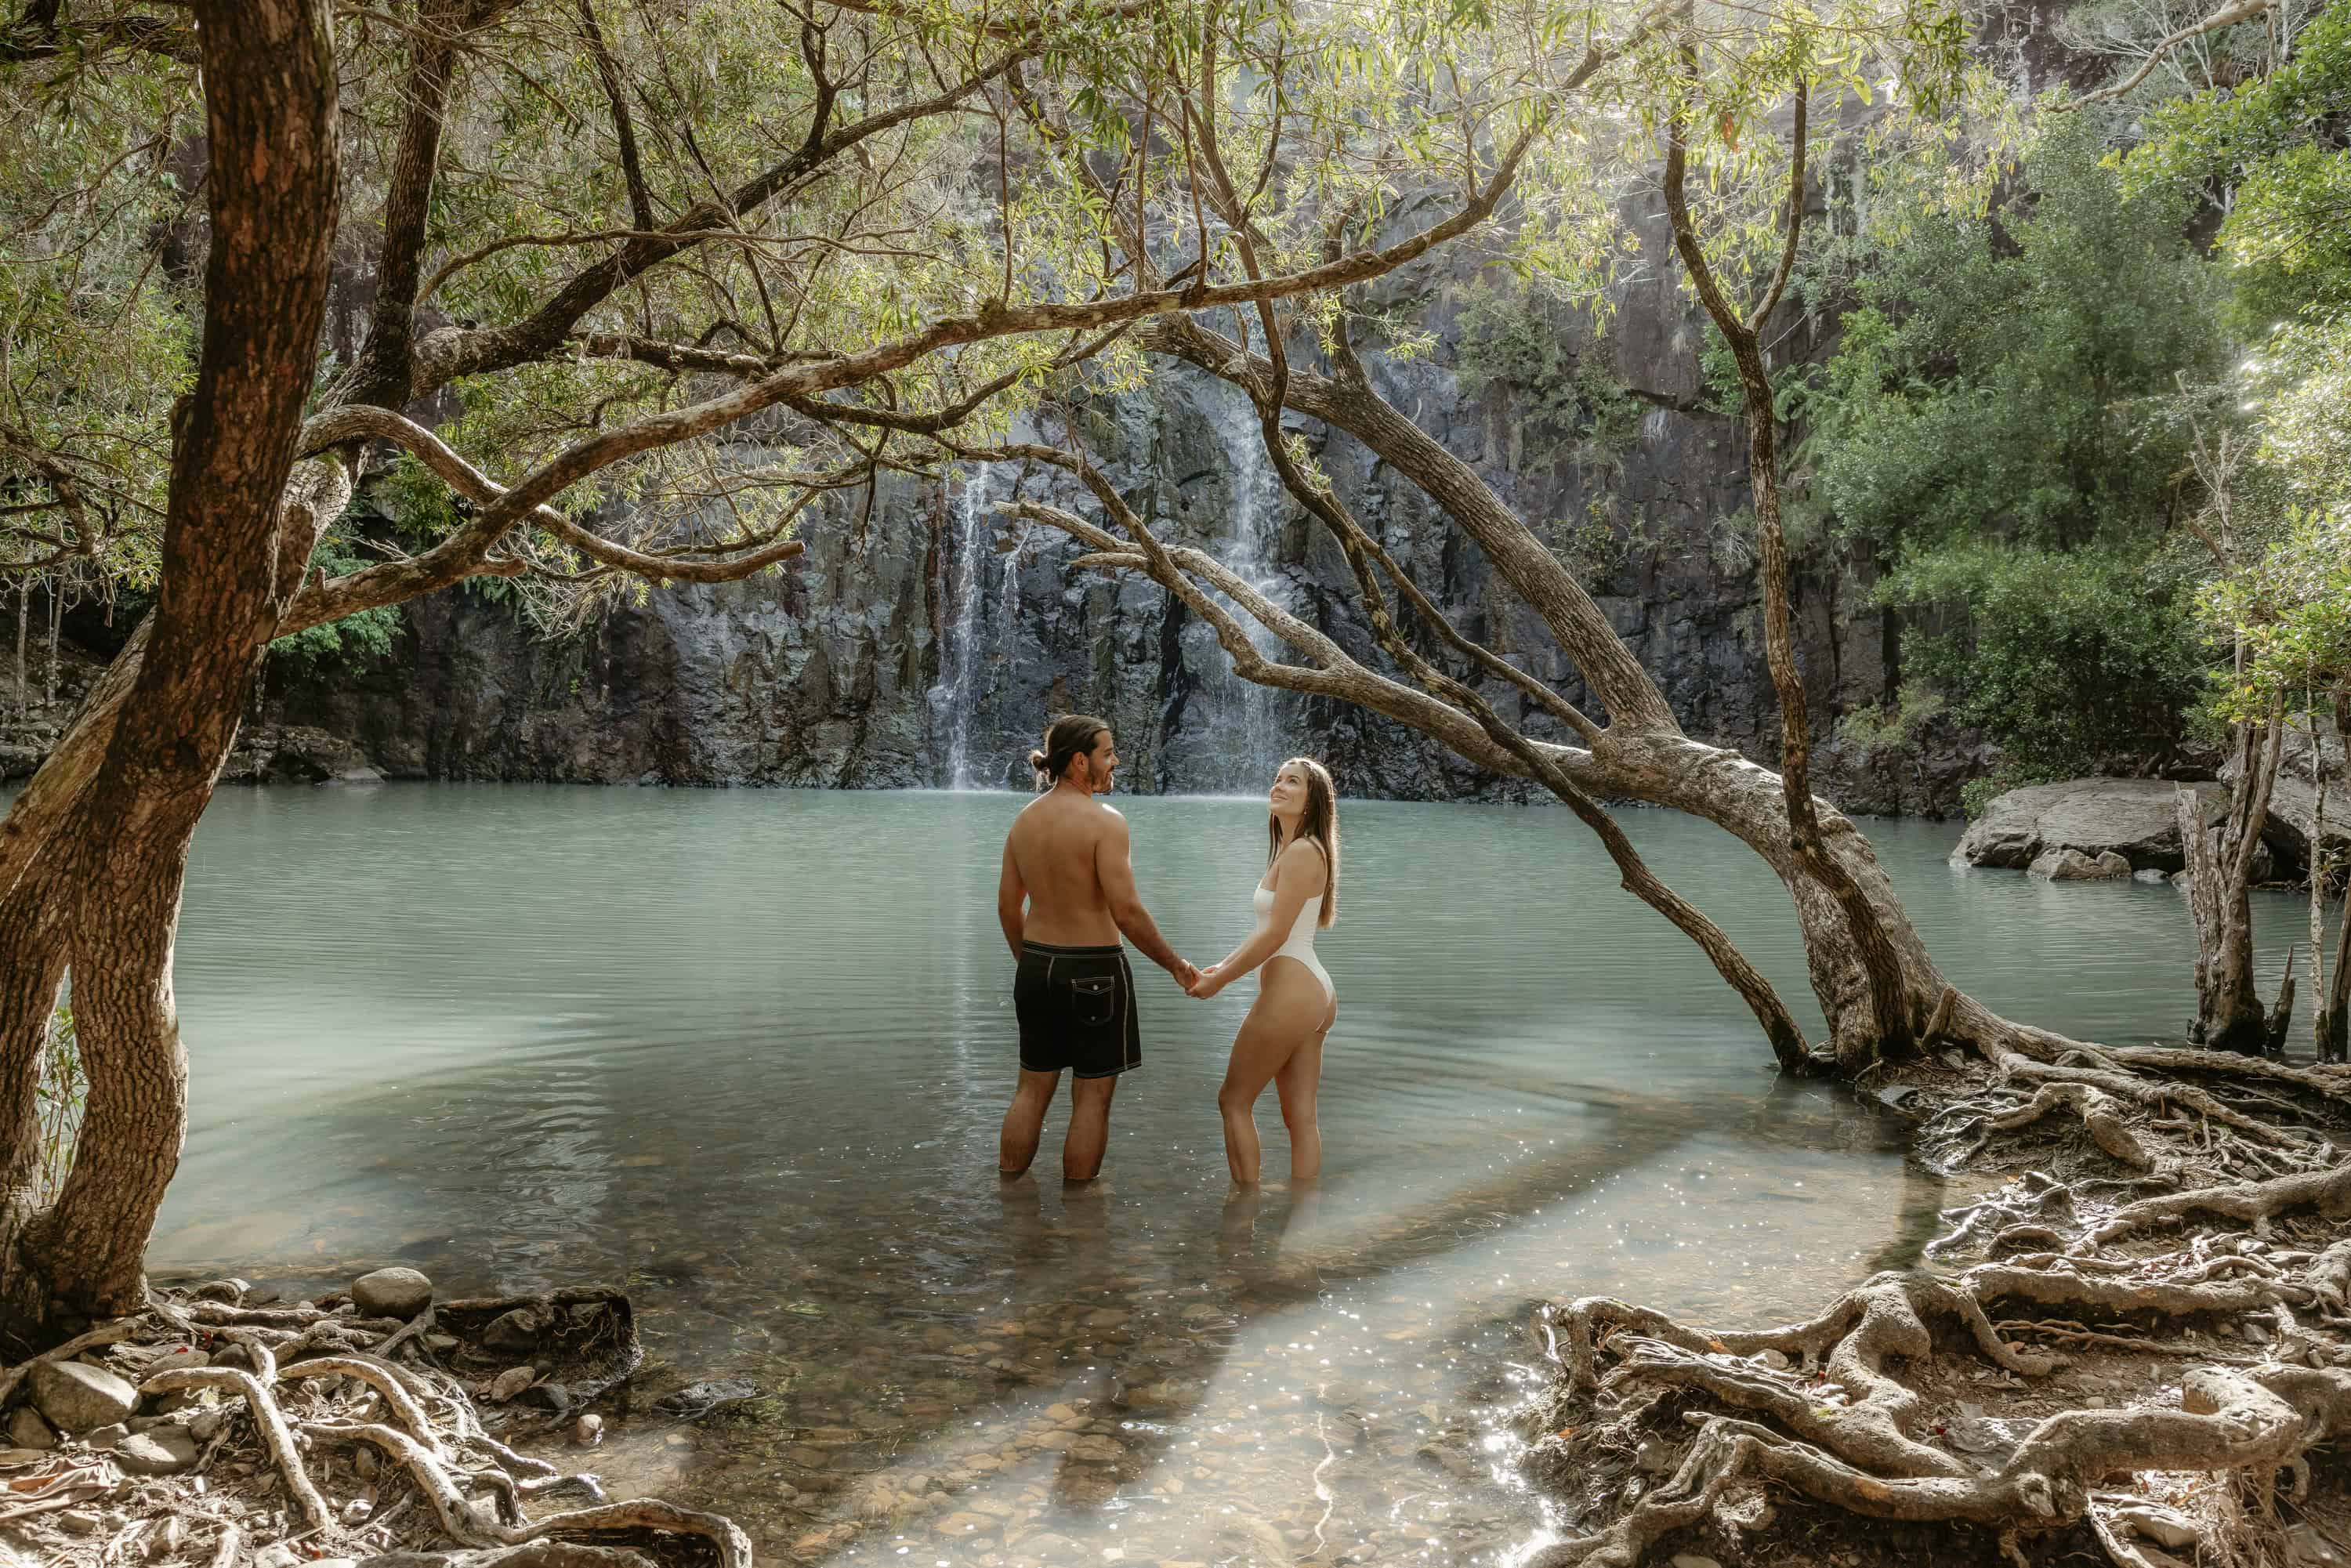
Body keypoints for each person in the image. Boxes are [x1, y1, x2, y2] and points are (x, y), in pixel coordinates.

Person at [997, 714, 1197, 1181]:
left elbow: (1008, 908)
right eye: (1108, 753)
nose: (1116, 761)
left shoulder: (1023, 822)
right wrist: (1175, 965)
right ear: (1080, 761)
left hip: (1036, 964)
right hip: (1095, 970)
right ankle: (1080, 1224)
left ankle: (1010, 1203)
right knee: (1091, 1097)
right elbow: (1126, 912)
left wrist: (1029, 964)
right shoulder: (1105, 823)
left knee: (1031, 1089)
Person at [1188, 757, 1339, 1186]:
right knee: (1301, 1119)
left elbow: (1275, 936)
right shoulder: (1298, 849)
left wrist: (1220, 980)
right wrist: (1227, 960)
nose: (1279, 786)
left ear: (1313, 802)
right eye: (1277, 779)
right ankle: (1303, 1222)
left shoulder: (1302, 852)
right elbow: (1269, 930)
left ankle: (1242, 1220)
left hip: (1292, 988)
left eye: (1293, 782)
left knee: (1234, 1101)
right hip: (1310, 990)